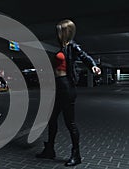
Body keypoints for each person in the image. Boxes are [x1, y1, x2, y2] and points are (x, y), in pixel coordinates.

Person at [36, 19, 101, 166]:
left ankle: (76, 154)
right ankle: (50, 150)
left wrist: (93, 66)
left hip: (66, 87)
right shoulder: (62, 47)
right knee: (52, 120)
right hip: (58, 86)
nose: (57, 33)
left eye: (59, 30)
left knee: (69, 123)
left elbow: (85, 56)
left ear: (66, 32)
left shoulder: (72, 46)